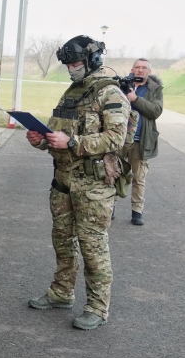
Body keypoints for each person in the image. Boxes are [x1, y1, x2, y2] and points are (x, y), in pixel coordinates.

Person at [26, 35, 130, 330]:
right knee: (62, 240)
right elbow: (56, 133)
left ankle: (97, 307)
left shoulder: (110, 93)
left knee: (92, 246)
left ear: (92, 60)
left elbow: (116, 138)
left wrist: (72, 142)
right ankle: (61, 292)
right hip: (63, 182)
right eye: (68, 64)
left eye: (75, 63)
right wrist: (40, 140)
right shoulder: (72, 92)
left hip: (93, 186)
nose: (71, 68)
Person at [123, 58, 162, 225]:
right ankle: (110, 208)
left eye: (144, 68)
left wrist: (135, 99)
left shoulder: (155, 89)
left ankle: (137, 211)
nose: (140, 70)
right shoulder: (122, 85)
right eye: (137, 67)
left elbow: (155, 111)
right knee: (113, 174)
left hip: (141, 140)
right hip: (119, 140)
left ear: (149, 71)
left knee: (138, 178)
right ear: (132, 69)